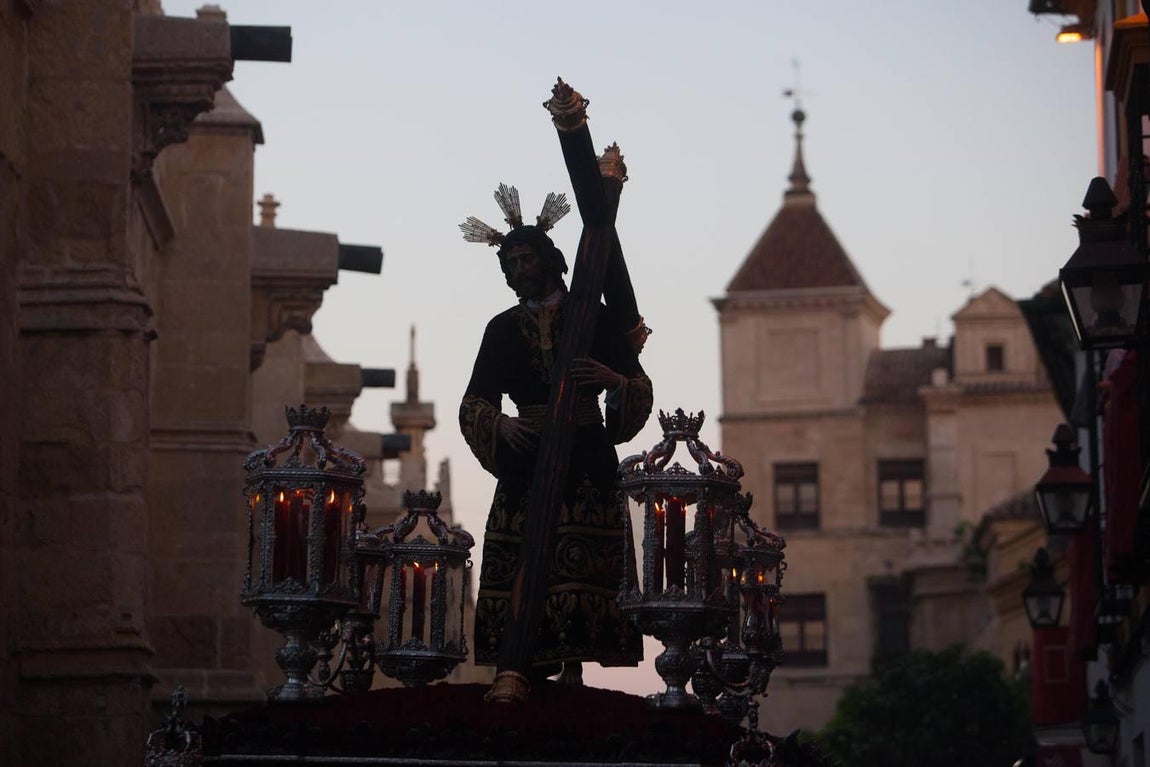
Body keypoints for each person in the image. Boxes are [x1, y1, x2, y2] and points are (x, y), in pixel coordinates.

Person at [459, 219, 653, 687]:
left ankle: (574, 666)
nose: (520, 269)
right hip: (527, 459)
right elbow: (474, 401)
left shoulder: (595, 317)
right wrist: (501, 424)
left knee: (581, 555)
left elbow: (639, 384)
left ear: (549, 261)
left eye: (527, 259)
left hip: (586, 455)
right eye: (511, 263)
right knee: (525, 556)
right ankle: (524, 663)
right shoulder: (501, 328)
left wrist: (613, 383)